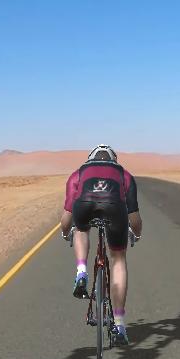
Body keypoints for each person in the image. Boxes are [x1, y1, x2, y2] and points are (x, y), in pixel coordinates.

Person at [61, 145, 142, 346]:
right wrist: (136, 234)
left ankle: (81, 271)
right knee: (118, 259)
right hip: (115, 209)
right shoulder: (124, 174)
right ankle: (120, 325)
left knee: (80, 230)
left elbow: (67, 216)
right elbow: (134, 217)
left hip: (84, 206)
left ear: (91, 158)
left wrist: (65, 232)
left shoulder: (78, 173)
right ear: (114, 160)